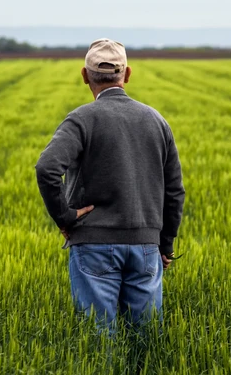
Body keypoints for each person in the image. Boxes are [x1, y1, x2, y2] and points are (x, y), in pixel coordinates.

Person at [35, 38, 185, 330]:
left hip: (92, 244)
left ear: (84, 75)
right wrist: (164, 244)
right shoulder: (156, 121)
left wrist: (64, 217)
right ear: (127, 74)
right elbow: (174, 191)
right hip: (145, 247)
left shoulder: (81, 119)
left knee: (99, 342)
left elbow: (47, 168)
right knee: (146, 340)